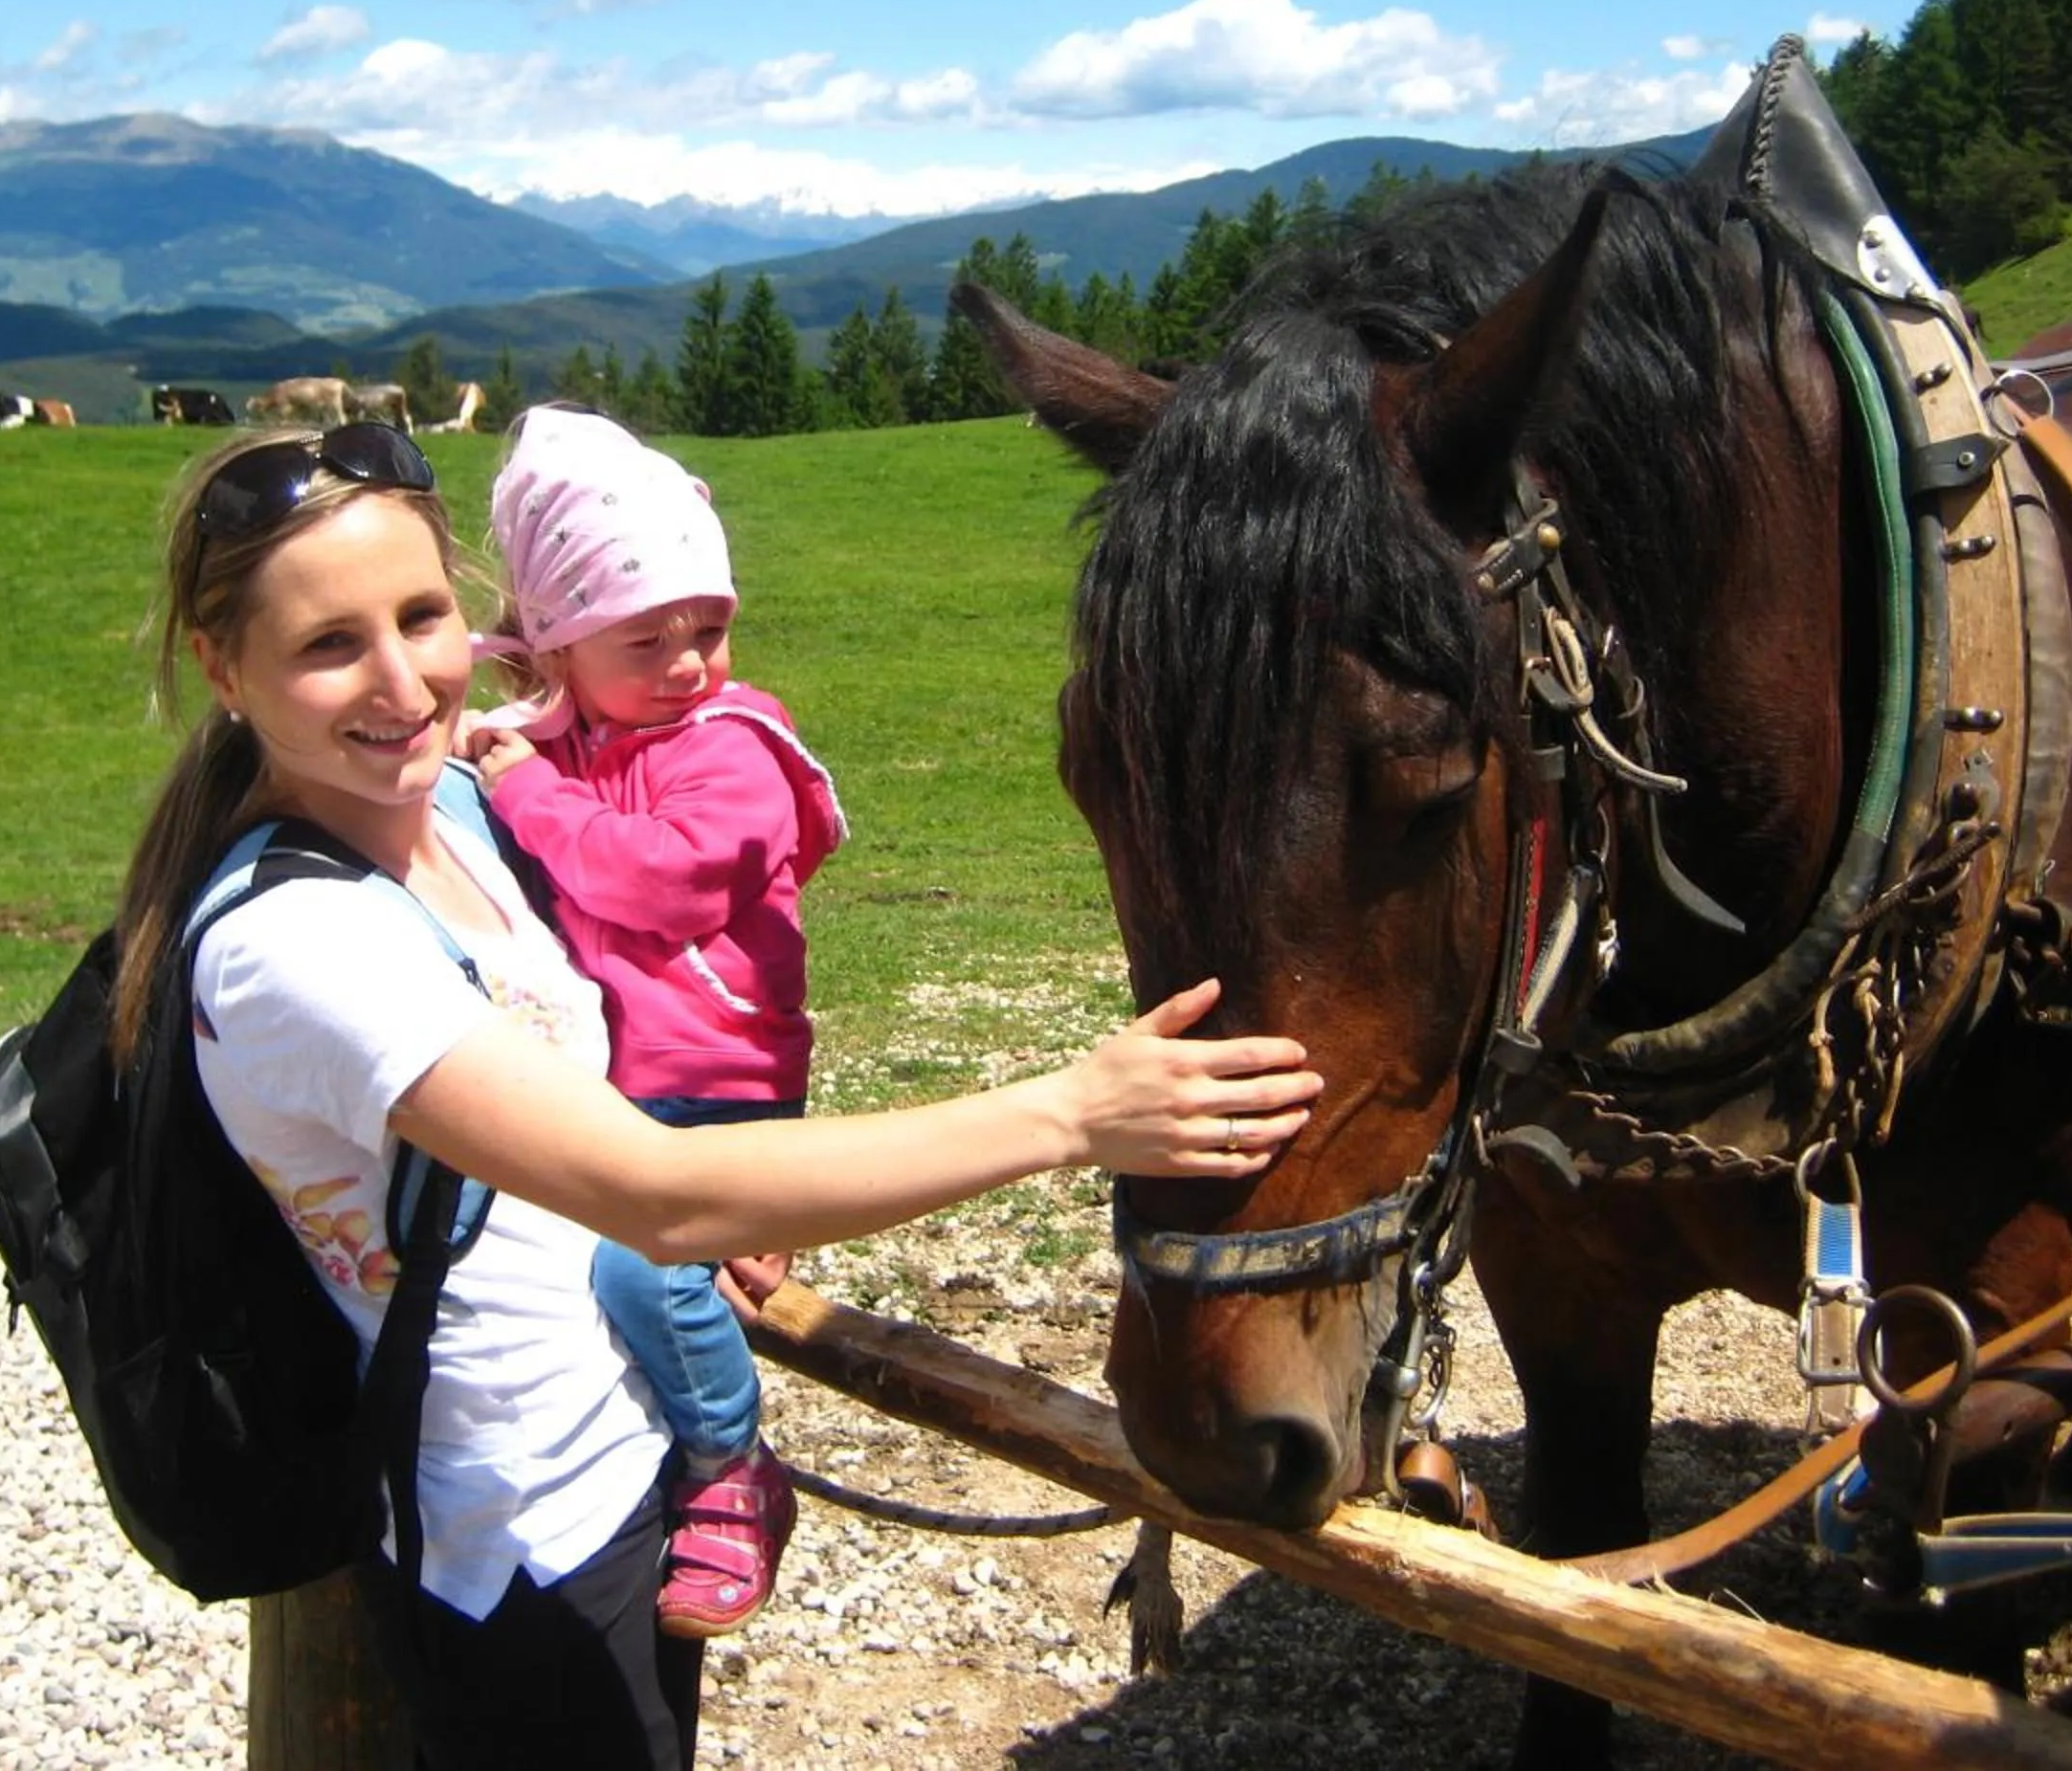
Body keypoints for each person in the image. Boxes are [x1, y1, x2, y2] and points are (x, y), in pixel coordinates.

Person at [108, 419, 1317, 1771]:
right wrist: (1072, 1112)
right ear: (223, 668)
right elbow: (654, 1190)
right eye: (331, 645)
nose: (402, 679)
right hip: (519, 1540)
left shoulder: (451, 806)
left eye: (423, 615)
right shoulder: (298, 945)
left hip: (615, 1454)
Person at [461, 404, 835, 1638]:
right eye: (648, 637)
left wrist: (526, 797)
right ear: (563, 646)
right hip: (635, 1080)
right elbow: (515, 753)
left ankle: (731, 1468)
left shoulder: (727, 749)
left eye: (710, 629)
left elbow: (655, 880)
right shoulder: (592, 732)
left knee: (644, 1262)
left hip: (715, 1081)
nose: (688, 662)